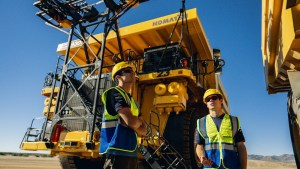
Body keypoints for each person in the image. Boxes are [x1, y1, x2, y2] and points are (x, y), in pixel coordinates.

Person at [100, 61, 147, 169]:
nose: (132, 73)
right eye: (127, 71)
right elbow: (132, 122)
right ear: (118, 77)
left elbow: (143, 130)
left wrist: (135, 123)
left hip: (131, 151)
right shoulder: (114, 93)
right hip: (116, 150)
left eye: (133, 71)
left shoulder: (133, 102)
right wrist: (135, 124)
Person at [195, 89, 247, 169]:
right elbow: (199, 146)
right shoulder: (201, 123)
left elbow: (241, 147)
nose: (211, 100)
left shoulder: (233, 121)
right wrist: (202, 157)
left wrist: (244, 167)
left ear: (221, 100)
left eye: (214, 97)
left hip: (231, 166)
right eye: (208, 99)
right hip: (210, 167)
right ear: (207, 104)